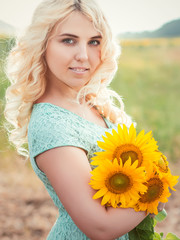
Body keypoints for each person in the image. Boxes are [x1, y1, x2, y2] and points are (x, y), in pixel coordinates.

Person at [4, 0, 164, 239]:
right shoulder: (52, 124)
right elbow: (100, 227)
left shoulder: (90, 102)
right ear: (42, 45)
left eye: (94, 42)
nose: (83, 55)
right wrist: (156, 194)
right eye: (68, 40)